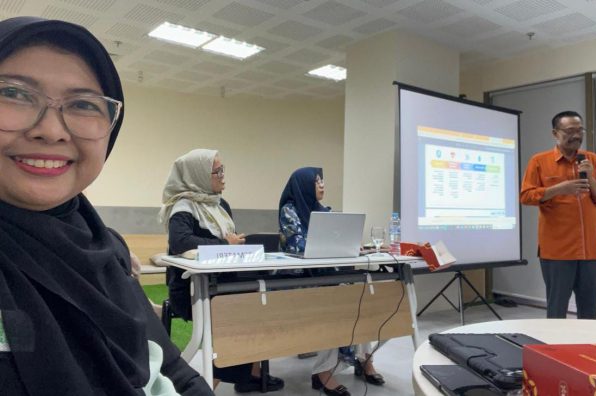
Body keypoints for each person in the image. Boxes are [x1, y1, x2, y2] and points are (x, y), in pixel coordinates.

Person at [0, 16, 212, 395]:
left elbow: (171, 366)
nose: (51, 130)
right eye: (13, 93)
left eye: (82, 103)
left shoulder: (106, 248)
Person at [159, 148, 284, 393]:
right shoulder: (183, 206)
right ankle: (209, 385)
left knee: (257, 305)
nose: (223, 176)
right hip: (192, 290)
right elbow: (181, 243)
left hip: (222, 284)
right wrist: (226, 244)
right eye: (218, 171)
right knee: (239, 313)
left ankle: (248, 375)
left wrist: (234, 243)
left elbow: (226, 242)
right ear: (199, 175)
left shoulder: (220, 204)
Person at [279, 167, 385, 396]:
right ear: (303, 184)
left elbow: (330, 243)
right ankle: (323, 373)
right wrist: (335, 246)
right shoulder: (290, 210)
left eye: (323, 180)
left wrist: (349, 245)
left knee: (362, 297)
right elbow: (297, 246)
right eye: (317, 181)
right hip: (300, 283)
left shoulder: (324, 211)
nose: (322, 185)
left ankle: (364, 359)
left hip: (328, 277)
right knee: (333, 303)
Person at [520, 110, 596, 319]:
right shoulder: (539, 161)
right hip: (557, 251)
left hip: (590, 251)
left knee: (590, 311)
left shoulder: (593, 161)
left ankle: (588, 350)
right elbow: (526, 196)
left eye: (579, 130)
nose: (576, 135)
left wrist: (590, 177)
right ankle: (555, 350)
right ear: (555, 133)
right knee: (557, 311)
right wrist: (558, 189)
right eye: (570, 130)